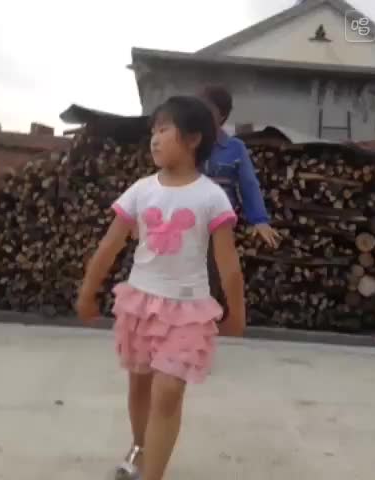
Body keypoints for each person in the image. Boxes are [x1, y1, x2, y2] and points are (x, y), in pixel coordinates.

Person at [76, 96, 245, 480]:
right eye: (153, 130)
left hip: (187, 310)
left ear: (193, 139)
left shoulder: (211, 197)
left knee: (167, 392)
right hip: (141, 303)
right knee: (139, 386)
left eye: (164, 129)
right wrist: (87, 292)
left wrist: (238, 312)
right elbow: (109, 245)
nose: (154, 138)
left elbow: (228, 263)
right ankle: (139, 447)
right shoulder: (140, 190)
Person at [199, 84, 280, 248]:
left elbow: (249, 184)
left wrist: (259, 220)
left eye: (208, 110)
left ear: (222, 115)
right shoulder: (187, 145)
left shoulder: (235, 148)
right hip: (188, 224)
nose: (201, 115)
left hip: (220, 226)